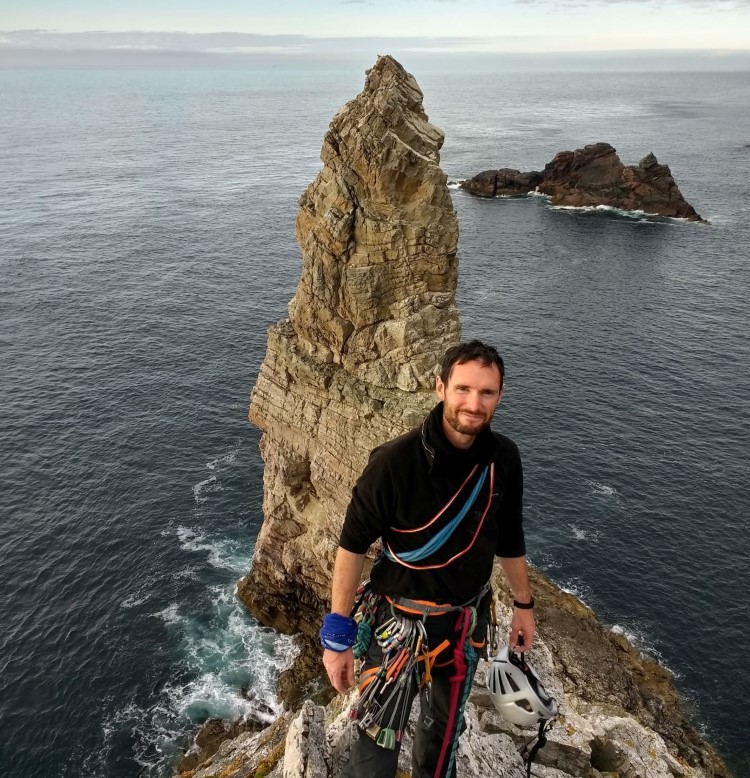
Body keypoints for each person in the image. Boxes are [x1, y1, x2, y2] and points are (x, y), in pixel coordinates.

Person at [320, 340, 535, 778]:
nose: (473, 404)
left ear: (501, 395)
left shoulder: (504, 460)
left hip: (462, 622)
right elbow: (352, 545)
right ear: (440, 387)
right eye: (463, 389)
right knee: (379, 735)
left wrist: (524, 606)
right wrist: (337, 637)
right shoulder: (394, 463)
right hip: (399, 622)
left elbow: (509, 536)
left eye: (486, 393)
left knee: (443, 736)